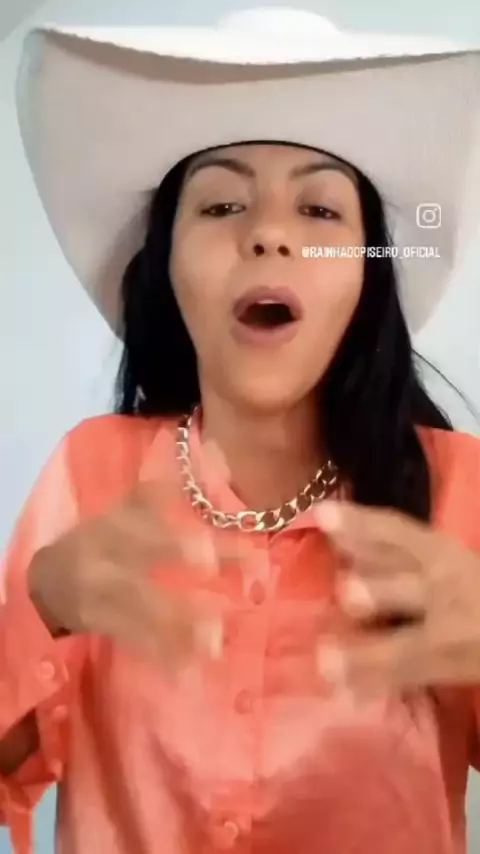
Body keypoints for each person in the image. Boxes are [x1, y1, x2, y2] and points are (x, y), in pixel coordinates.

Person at [2, 7, 480, 854]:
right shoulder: (92, 473)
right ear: (165, 266)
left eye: (321, 211)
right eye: (222, 203)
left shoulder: (459, 488)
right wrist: (34, 614)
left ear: (366, 280)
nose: (267, 235)